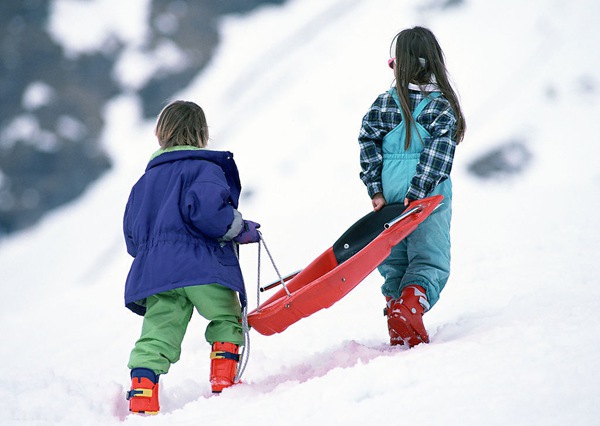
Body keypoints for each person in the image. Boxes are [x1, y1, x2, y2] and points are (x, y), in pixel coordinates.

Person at [122, 100, 260, 414]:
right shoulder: (204, 169)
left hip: (158, 275)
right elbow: (210, 215)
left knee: (159, 330)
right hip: (203, 268)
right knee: (226, 317)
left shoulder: (143, 183)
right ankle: (223, 380)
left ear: (160, 134)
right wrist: (238, 228)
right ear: (201, 134)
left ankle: (143, 392)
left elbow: (133, 239)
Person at [358, 26, 466, 348]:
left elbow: (368, 144)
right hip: (428, 197)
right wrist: (419, 192)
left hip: (390, 199)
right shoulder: (441, 107)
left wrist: (376, 190)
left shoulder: (383, 104)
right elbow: (438, 154)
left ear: (398, 65)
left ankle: (396, 311)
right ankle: (410, 306)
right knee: (429, 259)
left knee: (395, 258)